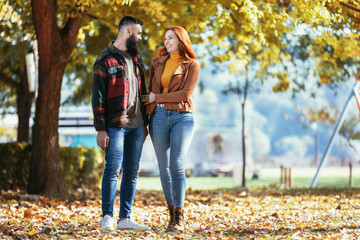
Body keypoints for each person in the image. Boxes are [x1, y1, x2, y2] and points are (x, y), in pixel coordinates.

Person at [92, 16, 150, 231]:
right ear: (128, 32)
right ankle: (107, 215)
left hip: (137, 125)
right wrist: (100, 129)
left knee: (132, 171)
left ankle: (125, 218)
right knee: (113, 168)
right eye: (139, 33)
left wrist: (145, 124)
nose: (141, 38)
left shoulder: (136, 59)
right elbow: (97, 98)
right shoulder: (104, 60)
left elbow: (142, 92)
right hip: (116, 125)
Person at [141, 26, 199, 232]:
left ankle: (180, 216)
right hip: (157, 117)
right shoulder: (157, 62)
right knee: (163, 168)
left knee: (176, 164)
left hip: (182, 117)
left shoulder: (192, 64)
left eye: (171, 38)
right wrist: (146, 121)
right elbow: (149, 93)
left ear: (181, 39)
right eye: (165, 38)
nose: (166, 41)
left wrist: (158, 98)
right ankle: (172, 214)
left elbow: (185, 94)